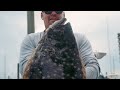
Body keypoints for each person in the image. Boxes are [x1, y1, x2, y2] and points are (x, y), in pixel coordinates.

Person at [19, 11, 100, 79]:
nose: (53, 13)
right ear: (41, 15)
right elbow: (24, 69)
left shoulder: (80, 39)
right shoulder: (30, 40)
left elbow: (93, 66)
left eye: (58, 10)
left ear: (63, 14)